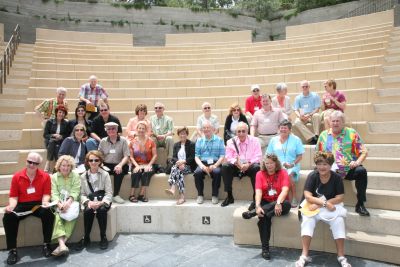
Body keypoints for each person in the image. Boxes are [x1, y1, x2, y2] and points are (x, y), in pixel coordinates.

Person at [295, 152, 351, 267]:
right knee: (307, 221)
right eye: (319, 164)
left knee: (339, 221)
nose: (322, 167)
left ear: (330, 165)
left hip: (330, 206)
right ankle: (304, 255)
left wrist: (324, 204)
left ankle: (341, 256)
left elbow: (340, 197)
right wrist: (323, 203)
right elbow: (308, 196)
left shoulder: (336, 177)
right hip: (313, 206)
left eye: (325, 164)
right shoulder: (312, 175)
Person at [2, 152, 54, 265]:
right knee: (8, 217)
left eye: (35, 163)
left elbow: (46, 193)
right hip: (22, 204)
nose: (31, 165)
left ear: (39, 164)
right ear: (26, 161)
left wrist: (45, 201)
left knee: (49, 213)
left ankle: (47, 245)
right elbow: (14, 196)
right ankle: (12, 250)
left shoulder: (45, 176)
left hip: (38, 204)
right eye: (29, 162)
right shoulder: (17, 176)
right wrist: (11, 206)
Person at [316, 110, 369, 216]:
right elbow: (318, 153)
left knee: (361, 171)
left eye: (338, 121)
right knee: (314, 173)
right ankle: (318, 202)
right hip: (328, 170)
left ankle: (360, 204)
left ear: (343, 122)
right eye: (333, 121)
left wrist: (357, 162)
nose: (335, 123)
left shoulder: (351, 133)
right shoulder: (323, 135)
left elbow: (364, 151)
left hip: (347, 169)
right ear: (329, 122)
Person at [242, 154, 291, 260]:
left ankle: (254, 212)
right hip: (266, 201)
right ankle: (265, 249)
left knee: (286, 204)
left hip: (281, 202)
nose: (269, 165)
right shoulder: (260, 174)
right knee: (264, 217)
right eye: (267, 163)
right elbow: (258, 191)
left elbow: (285, 190)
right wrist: (258, 205)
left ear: (276, 163)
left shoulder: (283, 172)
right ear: (264, 163)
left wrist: (278, 202)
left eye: (271, 163)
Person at [221, 122, 261, 209]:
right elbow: (228, 156)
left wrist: (248, 164)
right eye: (239, 131)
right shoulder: (230, 142)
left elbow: (258, 156)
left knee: (257, 168)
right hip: (237, 166)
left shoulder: (255, 140)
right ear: (236, 132)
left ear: (247, 131)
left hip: (249, 166)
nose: (241, 134)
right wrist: (236, 163)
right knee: (225, 166)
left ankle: (255, 199)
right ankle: (229, 196)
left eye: (243, 131)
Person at [78, 150, 113, 250]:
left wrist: (102, 202)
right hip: (90, 200)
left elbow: (109, 193)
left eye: (96, 160)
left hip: (102, 200)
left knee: (102, 210)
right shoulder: (83, 176)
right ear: (88, 162)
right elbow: (82, 194)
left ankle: (103, 237)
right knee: (88, 211)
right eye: (91, 160)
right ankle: (86, 237)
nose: (93, 162)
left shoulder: (105, 174)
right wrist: (88, 202)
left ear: (100, 161)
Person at [266, 120, 304, 208]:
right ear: (278, 129)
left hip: (293, 165)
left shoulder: (296, 140)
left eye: (285, 128)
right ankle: (274, 197)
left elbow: (300, 156)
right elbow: (269, 155)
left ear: (290, 130)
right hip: (277, 165)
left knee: (288, 175)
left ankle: (294, 197)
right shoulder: (273, 140)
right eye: (281, 128)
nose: (283, 130)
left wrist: (292, 164)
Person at [50, 155, 81, 257]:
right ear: (59, 166)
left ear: (71, 166)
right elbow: (53, 193)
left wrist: (68, 203)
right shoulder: (54, 177)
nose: (66, 168)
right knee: (57, 216)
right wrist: (59, 204)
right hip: (58, 203)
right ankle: (62, 244)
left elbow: (76, 191)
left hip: (72, 203)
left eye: (68, 165)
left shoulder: (75, 176)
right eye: (63, 165)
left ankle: (61, 245)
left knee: (71, 216)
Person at [194, 121, 225, 205]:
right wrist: (202, 166)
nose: (206, 129)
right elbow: (196, 156)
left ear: (213, 129)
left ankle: (215, 195)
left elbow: (222, 156)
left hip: (215, 162)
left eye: (208, 127)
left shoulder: (219, 140)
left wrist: (215, 165)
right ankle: (200, 194)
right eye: (204, 128)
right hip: (203, 162)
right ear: (202, 129)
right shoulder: (199, 141)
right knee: (197, 172)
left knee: (217, 172)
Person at [99, 121, 130, 204]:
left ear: (117, 130)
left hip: (120, 163)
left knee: (119, 171)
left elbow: (126, 156)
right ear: (106, 130)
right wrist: (101, 164)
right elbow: (99, 155)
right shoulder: (103, 141)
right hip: (106, 164)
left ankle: (116, 195)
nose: (111, 130)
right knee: (100, 171)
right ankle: (104, 195)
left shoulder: (123, 140)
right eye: (109, 129)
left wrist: (120, 165)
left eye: (113, 129)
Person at [164, 127, 196, 205]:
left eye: (184, 133)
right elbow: (174, 157)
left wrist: (183, 162)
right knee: (178, 171)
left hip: (189, 166)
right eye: (181, 134)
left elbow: (192, 157)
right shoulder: (176, 145)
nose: (182, 135)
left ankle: (172, 187)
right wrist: (179, 162)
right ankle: (182, 197)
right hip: (178, 166)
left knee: (176, 168)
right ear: (178, 135)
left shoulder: (191, 144)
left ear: (187, 134)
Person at [129, 122, 157, 203]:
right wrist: (137, 166)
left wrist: (149, 165)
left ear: (146, 130)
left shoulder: (151, 141)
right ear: (137, 129)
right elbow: (131, 156)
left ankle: (141, 195)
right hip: (137, 164)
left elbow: (155, 155)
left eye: (143, 128)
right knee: (136, 172)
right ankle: (132, 194)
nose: (141, 130)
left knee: (147, 172)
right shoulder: (132, 142)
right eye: (139, 128)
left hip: (148, 164)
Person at [292, 80, 321, 144]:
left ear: (309, 87)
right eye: (303, 87)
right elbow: (295, 110)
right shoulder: (298, 97)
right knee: (296, 121)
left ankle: (316, 135)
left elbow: (317, 108)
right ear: (301, 87)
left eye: (306, 86)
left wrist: (310, 115)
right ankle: (312, 137)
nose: (304, 88)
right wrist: (300, 116)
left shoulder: (315, 95)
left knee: (317, 115)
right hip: (303, 116)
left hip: (312, 115)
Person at [43, 105, 69, 173]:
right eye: (60, 112)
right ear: (56, 112)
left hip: (60, 142)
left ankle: (55, 167)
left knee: (57, 147)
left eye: (63, 113)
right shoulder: (49, 122)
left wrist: (61, 137)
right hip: (50, 142)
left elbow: (67, 135)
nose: (61, 114)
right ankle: (48, 162)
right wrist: (53, 135)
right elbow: (45, 135)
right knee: (52, 142)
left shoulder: (66, 123)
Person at [149, 102, 174, 169]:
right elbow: (150, 130)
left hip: (165, 138)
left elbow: (171, 131)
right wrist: (155, 135)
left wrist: (164, 135)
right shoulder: (151, 118)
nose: (158, 109)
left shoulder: (169, 119)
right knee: (151, 139)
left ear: (163, 109)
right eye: (156, 108)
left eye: (160, 108)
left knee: (170, 138)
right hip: (156, 138)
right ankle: (152, 162)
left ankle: (169, 160)